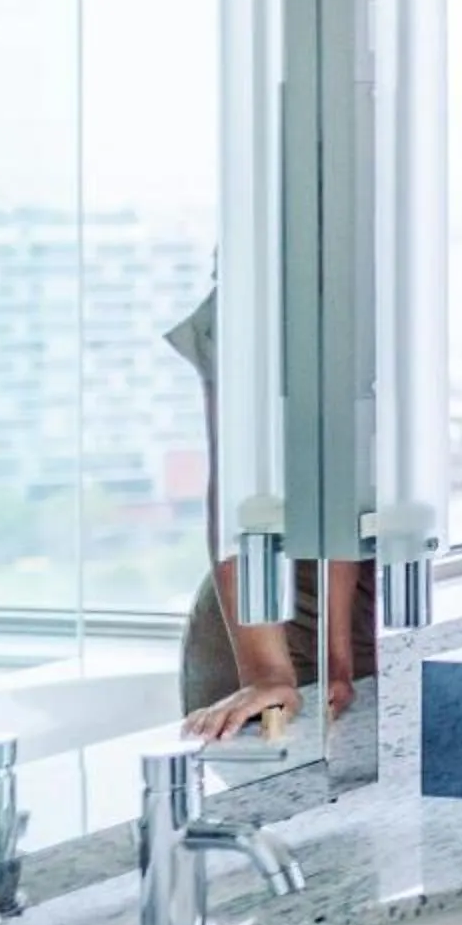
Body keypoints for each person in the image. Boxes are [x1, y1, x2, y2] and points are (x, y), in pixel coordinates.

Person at [164, 287, 374, 740]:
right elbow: (240, 485)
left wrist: (337, 652)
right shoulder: (260, 282)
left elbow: (349, 477)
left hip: (357, 605)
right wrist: (267, 671)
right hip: (274, 613)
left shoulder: (406, 266)